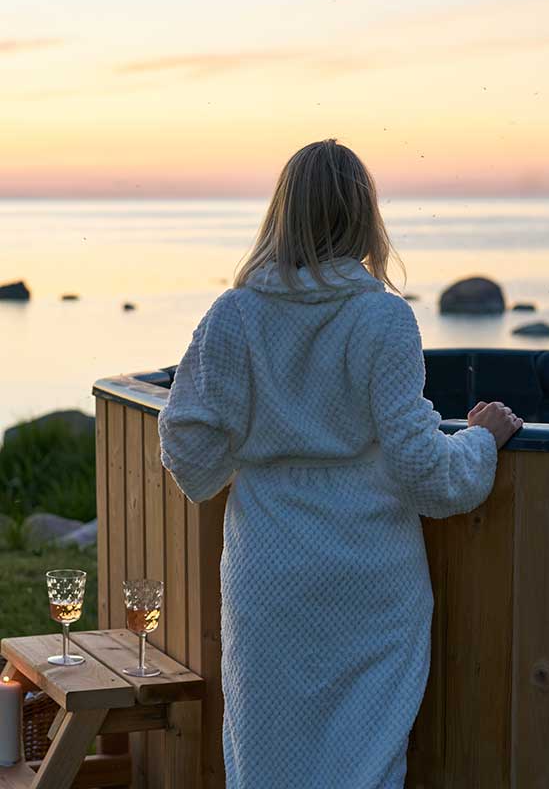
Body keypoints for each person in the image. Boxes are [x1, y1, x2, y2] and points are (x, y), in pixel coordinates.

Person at [157, 138, 523, 788]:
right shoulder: (382, 318)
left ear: (281, 212)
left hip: (268, 570)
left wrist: (251, 452)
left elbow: (188, 451)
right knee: (365, 761)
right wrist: (479, 440)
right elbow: (428, 478)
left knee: (266, 759)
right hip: (368, 582)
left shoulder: (235, 316)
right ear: (365, 217)